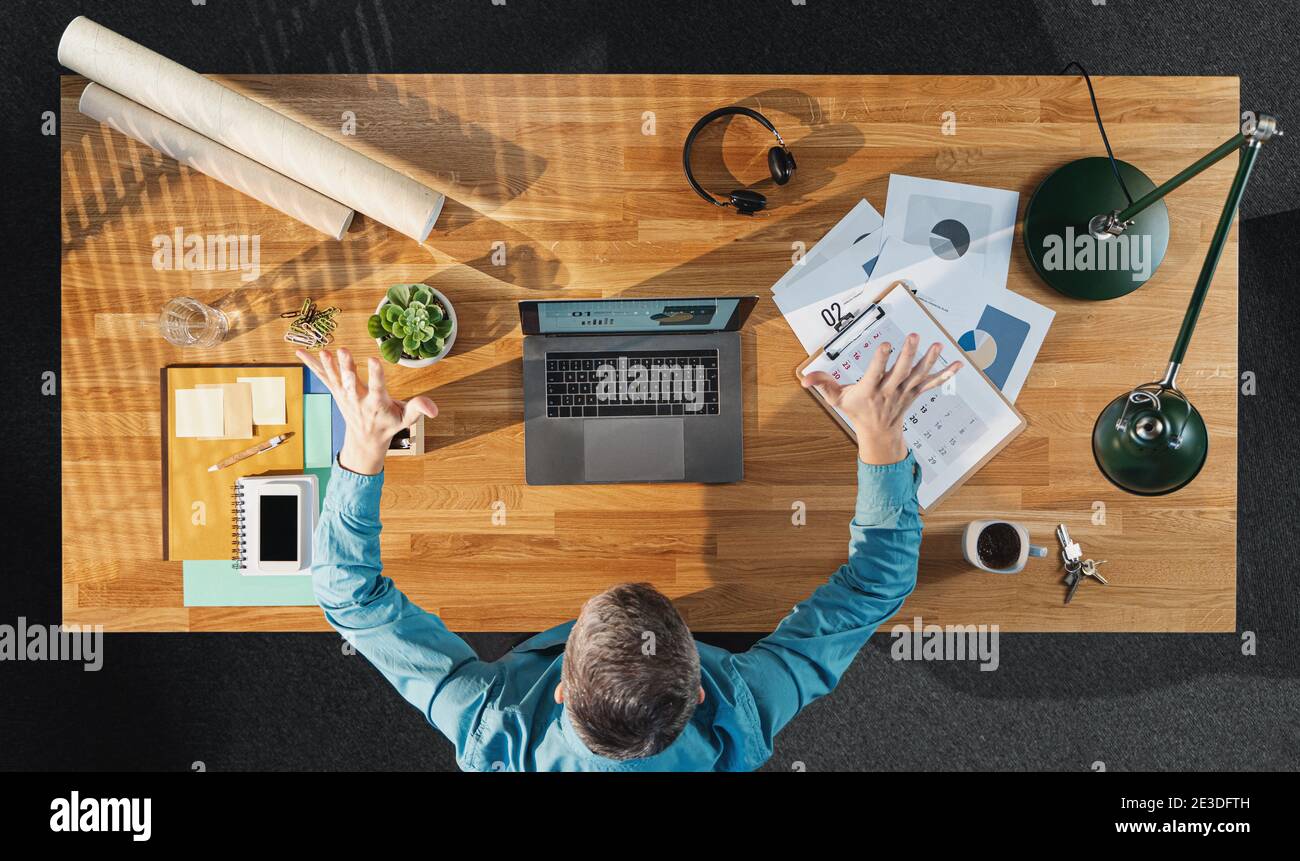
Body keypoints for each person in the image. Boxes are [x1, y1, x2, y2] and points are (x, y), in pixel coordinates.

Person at [298, 334, 959, 771]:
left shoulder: (493, 729)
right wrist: (880, 439)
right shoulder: (743, 717)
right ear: (702, 690)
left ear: (558, 688)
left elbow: (351, 598)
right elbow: (875, 586)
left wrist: (359, 450)